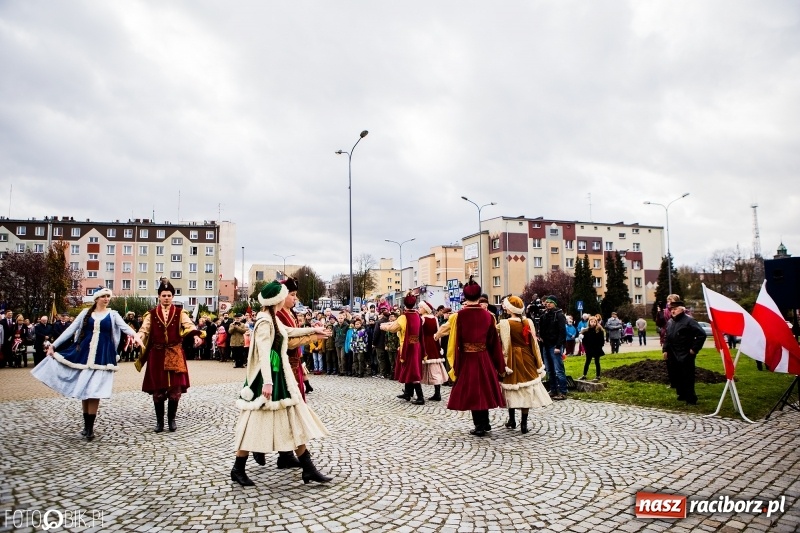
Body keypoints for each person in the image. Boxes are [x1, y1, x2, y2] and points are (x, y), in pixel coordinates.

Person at [231, 281, 331, 486]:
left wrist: (314, 331)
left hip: (279, 374)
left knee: (292, 417)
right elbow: (264, 354)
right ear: (277, 300)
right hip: (268, 377)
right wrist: (267, 382)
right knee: (254, 422)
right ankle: (237, 468)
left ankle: (308, 468)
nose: (290, 298)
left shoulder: (272, 319)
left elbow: (288, 332)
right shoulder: (264, 322)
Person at [31, 288, 141, 440]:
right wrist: (53, 346)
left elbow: (125, 328)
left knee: (94, 391)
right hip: (84, 354)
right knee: (86, 390)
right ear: (96, 298)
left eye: (108, 296)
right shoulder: (85, 314)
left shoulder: (113, 314)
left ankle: (90, 429)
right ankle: (86, 426)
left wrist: (137, 336)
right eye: (103, 296)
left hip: (102, 357)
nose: (106, 299)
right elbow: (70, 330)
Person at [436, 277, 507, 437]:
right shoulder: (488, 316)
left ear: (465, 297)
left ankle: (479, 425)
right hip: (484, 357)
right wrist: (499, 364)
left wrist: (457, 363)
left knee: (474, 391)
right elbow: (493, 342)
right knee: (484, 389)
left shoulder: (459, 316)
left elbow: (456, 341)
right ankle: (485, 421)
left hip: (468, 358)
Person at [135, 281, 203, 433]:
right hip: (157, 354)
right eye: (163, 295)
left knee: (174, 388)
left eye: (169, 295)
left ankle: (171, 420)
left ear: (173, 297)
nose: (166, 298)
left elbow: (189, 326)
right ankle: (159, 422)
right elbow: (144, 330)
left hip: (174, 352)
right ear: (159, 297)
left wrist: (196, 336)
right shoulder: (151, 314)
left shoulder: (181, 313)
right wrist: (138, 336)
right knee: (158, 388)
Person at [497, 296, 552, 434]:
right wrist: (538, 362)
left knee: (512, 388)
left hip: (512, 359)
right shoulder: (528, 321)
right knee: (526, 389)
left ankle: (512, 420)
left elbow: (493, 335)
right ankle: (524, 424)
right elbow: (534, 343)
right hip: (527, 358)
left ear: (510, 308)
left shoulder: (504, 323)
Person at [381, 293, 425, 405]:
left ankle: (420, 397)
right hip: (416, 345)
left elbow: (394, 328)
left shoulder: (403, 317)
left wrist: (383, 326)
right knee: (410, 369)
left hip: (407, 346)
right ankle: (408, 393)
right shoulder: (417, 315)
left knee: (412, 371)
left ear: (404, 304)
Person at [662, 297, 707, 405]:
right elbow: (667, 337)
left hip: (685, 353)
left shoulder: (689, 320)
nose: (673, 311)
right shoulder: (670, 322)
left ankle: (691, 398)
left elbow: (701, 334)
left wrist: (694, 349)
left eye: (675, 308)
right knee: (676, 376)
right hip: (673, 353)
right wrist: (665, 350)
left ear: (682, 309)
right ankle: (681, 394)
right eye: (671, 309)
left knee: (687, 376)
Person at [538, 295, 568, 400]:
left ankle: (563, 391)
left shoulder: (559, 315)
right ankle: (553, 389)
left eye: (550, 302)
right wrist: (540, 336)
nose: (548, 304)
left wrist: (558, 346)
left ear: (554, 303)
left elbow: (562, 332)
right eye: (547, 302)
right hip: (546, 345)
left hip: (555, 345)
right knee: (549, 370)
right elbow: (541, 327)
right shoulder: (544, 315)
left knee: (558, 369)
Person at [418, 301, 447, 401]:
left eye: (420, 307)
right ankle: (437, 393)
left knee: (422, 367)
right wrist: (438, 345)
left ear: (425, 309)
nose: (419, 309)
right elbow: (438, 332)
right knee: (435, 368)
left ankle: (418, 394)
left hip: (425, 343)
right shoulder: (434, 318)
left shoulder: (422, 319)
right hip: (434, 342)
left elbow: (419, 332)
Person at [579, 316, 605, 381]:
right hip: (589, 349)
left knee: (597, 362)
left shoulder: (599, 330)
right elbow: (584, 341)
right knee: (587, 362)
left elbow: (601, 340)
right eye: (591, 322)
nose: (593, 323)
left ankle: (598, 376)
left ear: (596, 322)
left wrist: (599, 347)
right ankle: (584, 375)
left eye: (594, 322)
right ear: (589, 322)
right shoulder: (586, 330)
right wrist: (582, 339)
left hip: (597, 348)